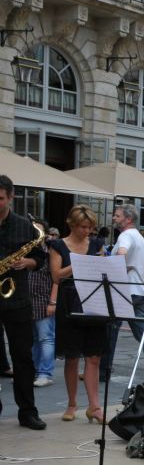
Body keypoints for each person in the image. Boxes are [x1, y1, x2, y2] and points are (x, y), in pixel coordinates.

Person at [50, 205, 107, 423]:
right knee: (72, 356)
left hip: (93, 300)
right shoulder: (57, 245)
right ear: (72, 225)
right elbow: (56, 276)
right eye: (84, 227)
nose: (87, 231)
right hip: (69, 301)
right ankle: (72, 403)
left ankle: (94, 406)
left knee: (94, 356)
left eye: (91, 227)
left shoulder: (96, 244)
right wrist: (79, 262)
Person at [0, 176, 47, 429]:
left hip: (17, 299)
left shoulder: (25, 226)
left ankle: (27, 412)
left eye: (0, 198)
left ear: (11, 197)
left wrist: (28, 262)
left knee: (23, 357)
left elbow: (39, 257)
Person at [100, 204, 144, 381]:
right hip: (138, 290)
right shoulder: (139, 237)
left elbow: (121, 253)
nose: (114, 218)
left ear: (128, 219)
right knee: (143, 334)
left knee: (110, 331)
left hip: (124, 291)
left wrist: (111, 265)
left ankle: (103, 371)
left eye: (117, 215)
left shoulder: (126, 235)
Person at [29, 220, 55, 388]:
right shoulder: (27, 251)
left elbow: (56, 279)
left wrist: (52, 302)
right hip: (27, 302)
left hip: (43, 300)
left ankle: (45, 373)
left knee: (46, 338)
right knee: (31, 340)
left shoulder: (50, 253)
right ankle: (33, 371)